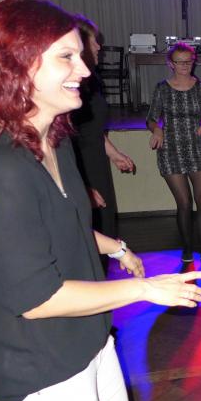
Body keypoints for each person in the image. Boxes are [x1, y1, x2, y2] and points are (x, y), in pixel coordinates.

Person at [0, 0, 201, 401]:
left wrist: (117, 248)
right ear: (16, 67)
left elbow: (65, 227)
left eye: (81, 54)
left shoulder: (56, 142)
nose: (86, 70)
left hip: (92, 344)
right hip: (45, 373)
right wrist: (145, 289)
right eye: (67, 57)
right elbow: (38, 299)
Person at [147, 42, 201, 267]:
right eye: (179, 62)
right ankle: (188, 248)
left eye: (188, 61)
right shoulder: (162, 89)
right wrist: (157, 129)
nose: (184, 65)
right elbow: (151, 118)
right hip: (170, 150)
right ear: (170, 63)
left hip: (196, 148)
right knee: (184, 203)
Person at [71, 15, 136, 239]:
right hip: (79, 166)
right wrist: (82, 186)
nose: (99, 46)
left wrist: (114, 154)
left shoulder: (91, 80)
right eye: (94, 41)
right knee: (88, 229)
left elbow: (92, 128)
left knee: (105, 224)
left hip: (96, 160)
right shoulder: (69, 85)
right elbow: (66, 138)